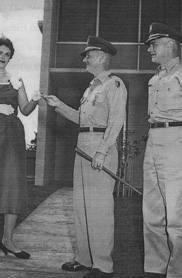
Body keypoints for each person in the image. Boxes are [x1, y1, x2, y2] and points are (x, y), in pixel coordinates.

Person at [132, 22, 182, 278]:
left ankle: (177, 273)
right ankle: (156, 269)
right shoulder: (155, 78)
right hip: (154, 139)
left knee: (177, 216)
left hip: (178, 140)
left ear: (170, 45)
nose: (149, 50)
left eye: (153, 45)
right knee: (152, 211)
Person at [45, 36, 127, 278]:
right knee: (81, 206)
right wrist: (58, 104)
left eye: (88, 56)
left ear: (101, 57)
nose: (85, 60)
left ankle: (103, 265)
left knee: (99, 208)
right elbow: (82, 119)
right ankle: (84, 258)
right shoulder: (90, 88)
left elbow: (116, 121)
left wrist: (102, 151)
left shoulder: (114, 85)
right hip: (83, 149)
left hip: (100, 149)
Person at [0, 36, 41, 262]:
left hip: (13, 136)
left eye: (7, 54)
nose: (3, 57)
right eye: (0, 53)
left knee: (13, 185)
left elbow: (25, 109)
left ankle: (8, 240)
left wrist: (35, 99)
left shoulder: (17, 80)